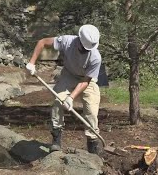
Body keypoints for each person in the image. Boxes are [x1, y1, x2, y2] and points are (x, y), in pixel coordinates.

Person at [26, 24, 102, 154]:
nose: (86, 51)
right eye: (84, 48)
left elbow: (86, 81)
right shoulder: (67, 41)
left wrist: (71, 97)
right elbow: (43, 42)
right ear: (79, 40)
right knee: (58, 102)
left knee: (92, 110)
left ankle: (92, 142)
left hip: (86, 80)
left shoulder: (95, 57)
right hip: (69, 75)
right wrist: (32, 63)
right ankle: (56, 138)